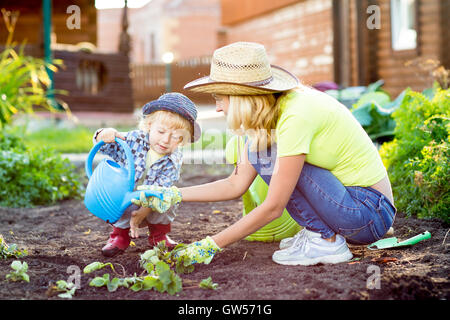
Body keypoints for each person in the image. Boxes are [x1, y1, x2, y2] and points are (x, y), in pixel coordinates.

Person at [135, 42, 397, 267]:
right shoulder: (273, 113)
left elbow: (273, 206)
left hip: (368, 213)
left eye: (220, 97)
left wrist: (207, 247)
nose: (217, 108)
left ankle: (325, 241)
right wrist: (172, 194)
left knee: (262, 151)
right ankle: (322, 233)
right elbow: (235, 184)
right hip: (351, 207)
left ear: (241, 97)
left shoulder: (296, 115)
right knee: (259, 148)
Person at [93, 92, 201, 257]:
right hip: (125, 195)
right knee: (119, 199)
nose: (165, 140)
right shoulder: (134, 139)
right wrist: (105, 134)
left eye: (175, 137)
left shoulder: (174, 158)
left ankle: (159, 235)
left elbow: (161, 187)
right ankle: (119, 236)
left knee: (168, 199)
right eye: (161, 132)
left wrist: (144, 211)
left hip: (152, 197)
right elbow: (106, 146)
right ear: (149, 125)